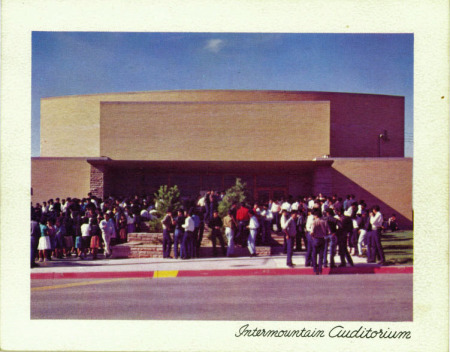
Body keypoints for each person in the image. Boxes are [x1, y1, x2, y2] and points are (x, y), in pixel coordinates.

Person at [310, 210, 330, 275]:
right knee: (321, 255)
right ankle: (320, 269)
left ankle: (315, 270)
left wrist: (312, 237)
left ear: (316, 216)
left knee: (314, 255)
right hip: (322, 239)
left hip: (316, 238)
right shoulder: (324, 222)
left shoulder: (314, 222)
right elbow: (329, 231)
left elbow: (311, 232)